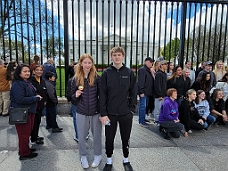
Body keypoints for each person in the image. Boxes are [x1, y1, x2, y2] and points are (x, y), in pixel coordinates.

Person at [100, 46, 137, 171]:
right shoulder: (106, 73)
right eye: (114, 55)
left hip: (125, 113)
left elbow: (133, 92)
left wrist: (131, 109)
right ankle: (109, 160)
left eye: (119, 55)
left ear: (123, 56)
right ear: (111, 56)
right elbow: (103, 94)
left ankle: (126, 159)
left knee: (125, 137)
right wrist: (103, 113)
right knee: (109, 138)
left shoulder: (129, 72)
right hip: (110, 114)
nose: (117, 57)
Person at [70, 54, 102, 169]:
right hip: (81, 111)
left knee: (97, 135)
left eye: (89, 63)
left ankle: (98, 155)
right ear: (81, 64)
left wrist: (102, 112)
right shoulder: (76, 79)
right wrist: (76, 95)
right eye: (85, 63)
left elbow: (102, 96)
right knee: (81, 136)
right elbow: (72, 97)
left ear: (92, 64)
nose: (87, 65)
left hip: (95, 111)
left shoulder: (97, 78)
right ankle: (83, 156)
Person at [10, 64, 42, 160]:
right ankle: (24, 153)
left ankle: (25, 149)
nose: (27, 73)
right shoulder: (17, 84)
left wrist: (35, 96)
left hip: (29, 111)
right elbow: (20, 99)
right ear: (19, 73)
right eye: (24, 71)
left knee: (27, 132)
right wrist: (35, 98)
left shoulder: (26, 82)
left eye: (28, 71)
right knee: (23, 134)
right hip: (21, 111)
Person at [30, 65, 47, 145]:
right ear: (33, 71)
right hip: (34, 104)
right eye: (37, 70)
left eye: (41, 70)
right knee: (34, 123)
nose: (39, 71)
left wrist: (45, 100)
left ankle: (35, 136)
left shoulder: (42, 80)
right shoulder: (31, 81)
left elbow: (44, 91)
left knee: (38, 121)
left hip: (41, 104)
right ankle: (33, 138)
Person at [137, 57, 154, 126]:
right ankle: (141, 120)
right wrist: (141, 92)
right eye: (151, 63)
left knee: (145, 106)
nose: (151, 64)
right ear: (147, 62)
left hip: (147, 91)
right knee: (142, 106)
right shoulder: (143, 70)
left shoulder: (148, 70)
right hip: (144, 92)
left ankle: (143, 118)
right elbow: (141, 81)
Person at [153, 59, 168, 125]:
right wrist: (159, 95)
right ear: (161, 65)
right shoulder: (159, 74)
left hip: (163, 94)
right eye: (165, 64)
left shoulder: (164, 74)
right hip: (159, 95)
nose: (166, 66)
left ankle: (160, 120)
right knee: (158, 108)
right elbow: (157, 85)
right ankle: (156, 120)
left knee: (161, 108)